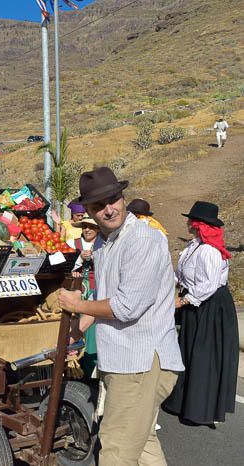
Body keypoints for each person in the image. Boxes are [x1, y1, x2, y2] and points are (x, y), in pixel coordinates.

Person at [58, 167, 183, 466]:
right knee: (142, 444)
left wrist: (78, 307)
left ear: (123, 197)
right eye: (98, 206)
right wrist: (80, 327)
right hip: (124, 360)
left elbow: (127, 307)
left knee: (115, 450)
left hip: (140, 362)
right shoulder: (104, 243)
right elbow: (108, 295)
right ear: (88, 211)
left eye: (113, 200)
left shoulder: (143, 239)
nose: (108, 209)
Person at [162, 201, 239, 426]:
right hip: (196, 305)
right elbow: (183, 274)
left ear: (197, 224)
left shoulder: (208, 251)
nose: (187, 223)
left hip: (210, 307)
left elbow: (208, 285)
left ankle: (199, 409)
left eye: (190, 220)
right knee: (187, 352)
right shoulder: (195, 245)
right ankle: (181, 402)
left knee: (203, 356)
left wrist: (183, 300)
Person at [69, 214, 102, 377]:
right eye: (84, 226)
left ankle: (90, 368)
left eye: (91, 226)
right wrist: (79, 259)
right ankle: (74, 367)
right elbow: (66, 267)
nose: (87, 229)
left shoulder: (103, 244)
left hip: (96, 293)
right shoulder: (73, 244)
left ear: (97, 228)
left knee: (92, 332)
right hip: (78, 292)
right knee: (76, 325)